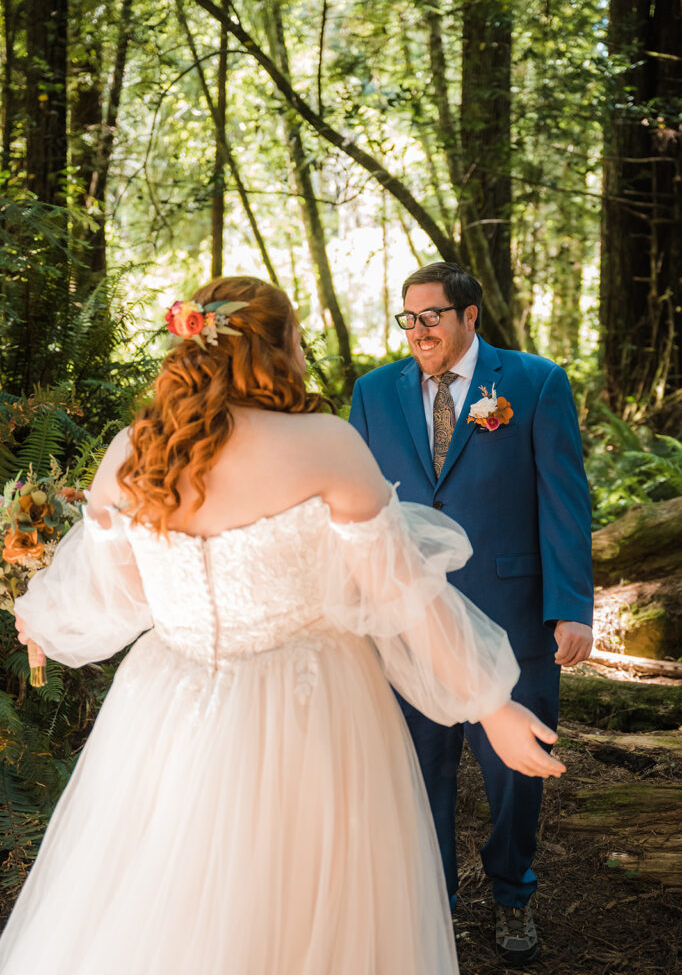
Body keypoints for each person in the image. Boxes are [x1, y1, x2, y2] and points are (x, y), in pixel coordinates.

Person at [0, 275, 564, 975]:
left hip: (165, 706)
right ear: (277, 348)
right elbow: (405, 598)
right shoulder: (324, 444)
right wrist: (492, 705)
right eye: (295, 337)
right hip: (313, 706)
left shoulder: (132, 451)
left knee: (163, 895)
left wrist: (44, 620)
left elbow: (116, 595)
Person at [349, 261, 593, 966]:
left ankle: (514, 894)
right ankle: (434, 904)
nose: (418, 330)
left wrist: (571, 607)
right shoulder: (373, 393)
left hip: (512, 617)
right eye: (408, 317)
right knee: (419, 773)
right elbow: (358, 510)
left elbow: (564, 502)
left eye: (432, 316)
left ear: (469, 316)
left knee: (516, 775)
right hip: (406, 621)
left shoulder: (535, 382)